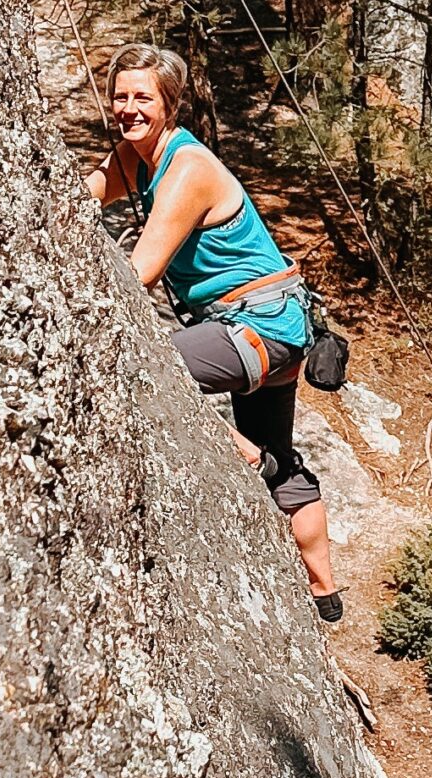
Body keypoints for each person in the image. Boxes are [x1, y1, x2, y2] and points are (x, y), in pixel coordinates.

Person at [82, 44, 343, 622]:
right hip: (273, 329)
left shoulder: (188, 169)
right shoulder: (136, 159)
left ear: (169, 104)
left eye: (142, 97)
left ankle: (248, 456)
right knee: (282, 463)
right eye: (120, 96)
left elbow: (139, 274)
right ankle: (325, 593)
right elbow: (80, 196)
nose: (128, 108)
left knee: (139, 368)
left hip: (255, 329)